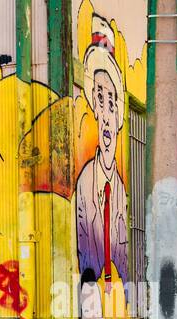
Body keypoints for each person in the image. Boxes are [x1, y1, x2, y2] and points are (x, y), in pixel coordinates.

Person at [74, 14, 129, 284]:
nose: (106, 115)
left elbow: (126, 258)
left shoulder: (120, 191)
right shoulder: (84, 184)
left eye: (111, 101)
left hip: (120, 305)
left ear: (119, 113)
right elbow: (84, 253)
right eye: (99, 98)